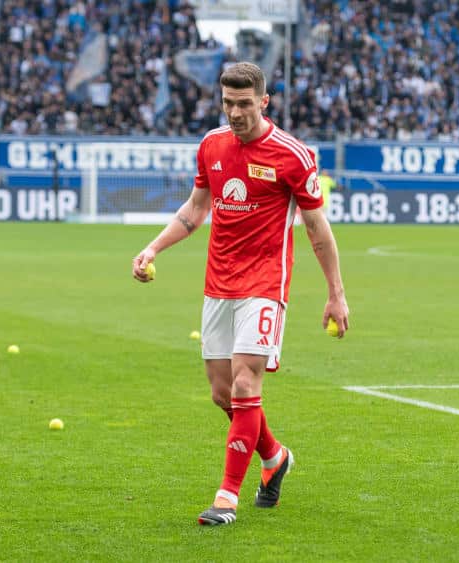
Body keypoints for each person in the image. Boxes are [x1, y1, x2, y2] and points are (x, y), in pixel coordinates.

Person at [131, 62, 349, 526]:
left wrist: (336, 293)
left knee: (247, 383)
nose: (234, 113)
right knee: (223, 393)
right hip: (219, 283)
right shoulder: (211, 145)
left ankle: (226, 496)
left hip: (265, 284)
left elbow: (317, 229)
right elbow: (195, 210)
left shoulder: (293, 155)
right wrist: (153, 248)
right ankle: (274, 457)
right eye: (228, 103)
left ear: (264, 102)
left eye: (244, 104)